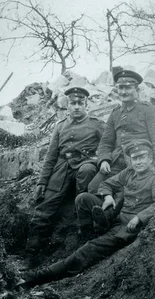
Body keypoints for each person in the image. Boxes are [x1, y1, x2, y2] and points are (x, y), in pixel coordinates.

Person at [16, 139, 155, 288]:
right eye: (134, 158)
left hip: (128, 228)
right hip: (118, 218)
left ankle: (39, 277)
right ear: (130, 160)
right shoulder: (129, 172)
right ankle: (90, 233)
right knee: (84, 198)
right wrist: (108, 195)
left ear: (150, 158)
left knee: (88, 250)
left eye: (142, 157)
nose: (138, 162)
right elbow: (106, 183)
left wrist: (140, 217)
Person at [26, 86, 105, 253]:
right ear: (67, 105)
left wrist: (100, 160)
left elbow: (108, 146)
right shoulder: (60, 126)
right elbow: (51, 156)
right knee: (45, 205)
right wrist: (43, 181)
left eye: (80, 103)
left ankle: (82, 223)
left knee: (87, 171)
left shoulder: (97, 124)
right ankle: (33, 252)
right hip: (62, 167)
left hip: (86, 164)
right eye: (72, 103)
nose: (76, 106)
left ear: (86, 104)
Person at [88, 70, 155, 194]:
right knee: (93, 188)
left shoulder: (149, 110)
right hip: (116, 161)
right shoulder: (115, 113)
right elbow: (106, 142)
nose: (123, 92)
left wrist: (154, 166)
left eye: (128, 88)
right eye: (120, 88)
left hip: (139, 161)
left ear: (137, 90)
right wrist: (104, 159)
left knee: (125, 192)